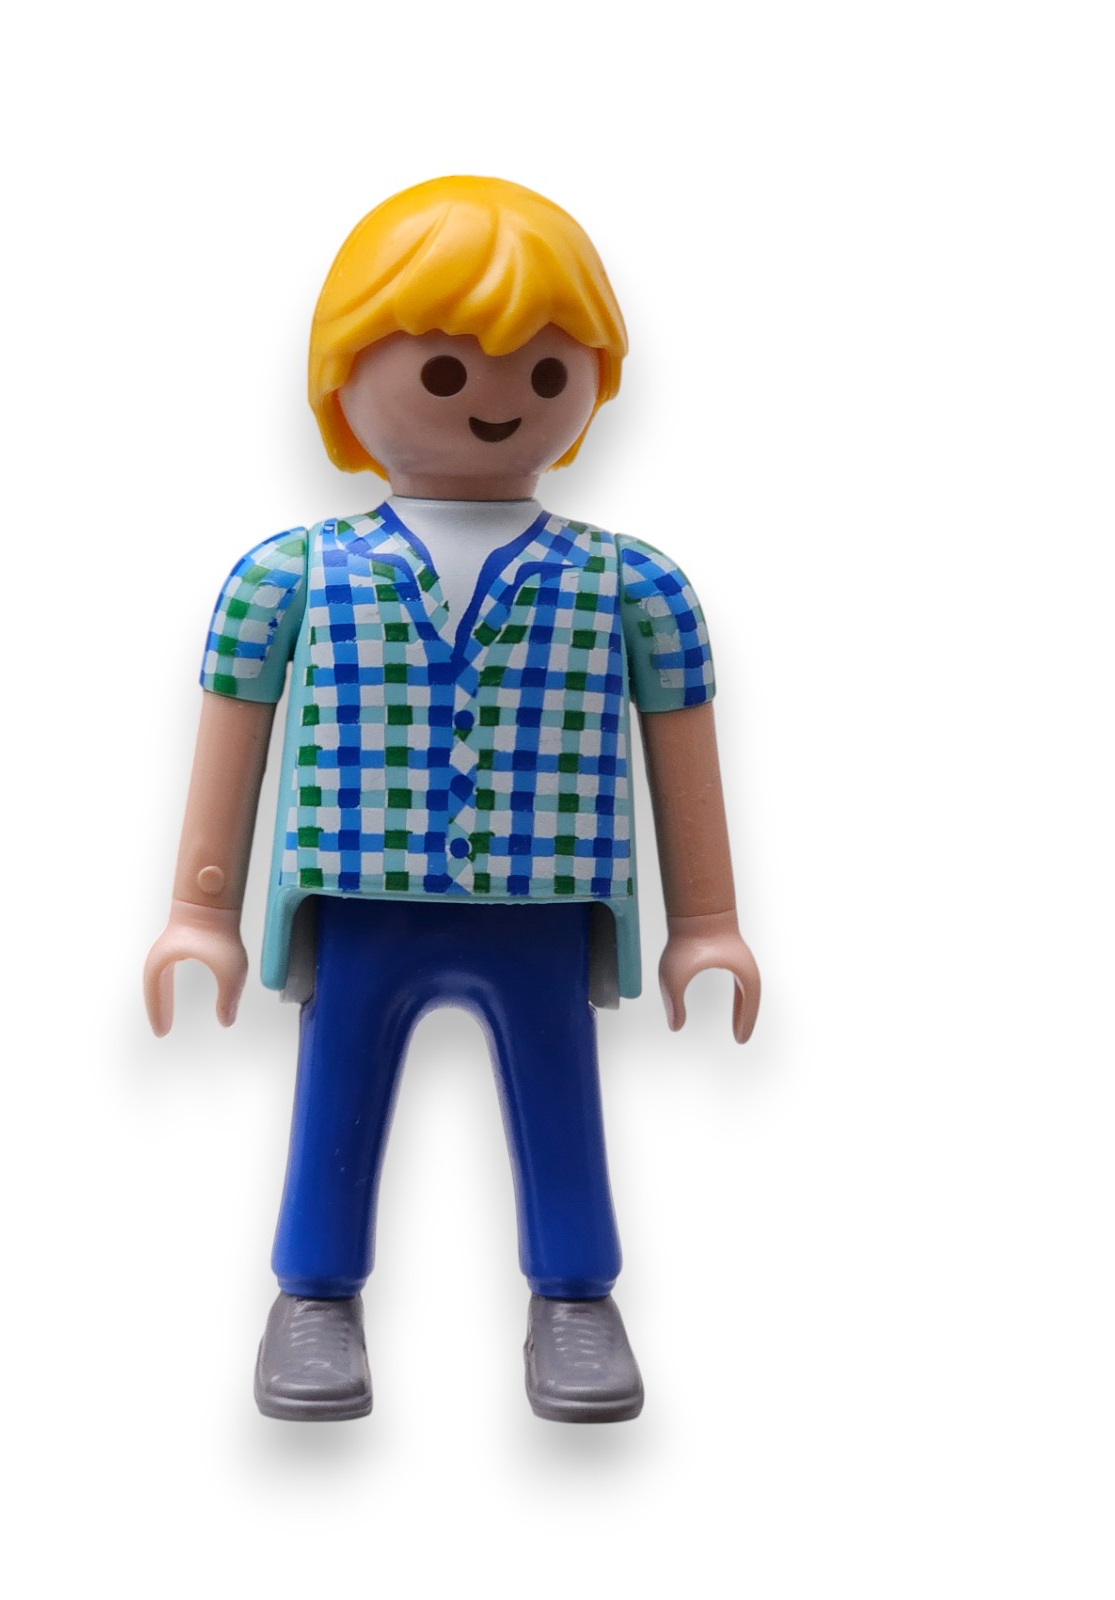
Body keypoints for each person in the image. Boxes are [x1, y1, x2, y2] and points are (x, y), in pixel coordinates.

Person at [144, 175, 760, 1422]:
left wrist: (707, 924)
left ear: (590, 385)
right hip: (359, 893)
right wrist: (199, 910)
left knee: (560, 1093)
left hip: (544, 898)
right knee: (335, 1090)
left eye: (545, 371)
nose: (496, 400)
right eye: (442, 371)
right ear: (342, 384)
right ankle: (314, 1296)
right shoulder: (287, 576)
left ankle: (576, 1297)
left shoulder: (633, 585)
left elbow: (682, 751)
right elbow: (232, 738)